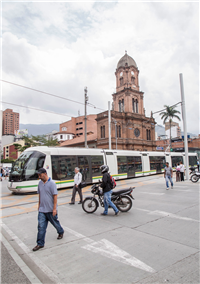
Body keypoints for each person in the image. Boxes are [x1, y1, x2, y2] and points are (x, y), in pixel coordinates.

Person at [32, 168, 64, 252]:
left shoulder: (52, 183)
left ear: (45, 174)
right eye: (38, 175)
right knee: (41, 227)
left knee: (55, 223)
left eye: (40, 175)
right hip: (42, 210)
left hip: (50, 209)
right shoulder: (40, 183)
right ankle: (40, 243)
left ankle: (61, 231)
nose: (39, 176)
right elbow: (40, 195)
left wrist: (54, 209)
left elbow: (55, 196)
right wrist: (39, 205)